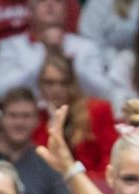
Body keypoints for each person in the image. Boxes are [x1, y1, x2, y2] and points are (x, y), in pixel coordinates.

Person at [0, 0, 108, 100]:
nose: (50, 4)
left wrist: (72, 66)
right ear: (30, 10)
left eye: (57, 1)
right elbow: (2, 92)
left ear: (65, 10)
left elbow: (104, 92)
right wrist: (45, 56)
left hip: (75, 113)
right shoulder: (11, 46)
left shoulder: (86, 47)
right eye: (42, 1)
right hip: (30, 115)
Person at [0, 88, 73, 194]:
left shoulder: (47, 160)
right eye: (13, 116)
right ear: (1, 119)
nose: (19, 122)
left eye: (26, 116)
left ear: (37, 120)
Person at [34, 53, 118, 181]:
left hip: (94, 184)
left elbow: (110, 156)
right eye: (49, 83)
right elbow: (41, 163)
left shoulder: (98, 110)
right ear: (41, 85)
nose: (56, 89)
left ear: (72, 84)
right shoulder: (37, 118)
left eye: (63, 83)